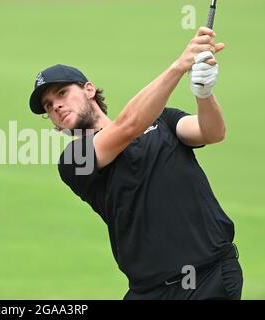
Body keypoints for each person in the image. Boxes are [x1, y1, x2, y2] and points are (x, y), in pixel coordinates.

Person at [28, 27, 243, 300]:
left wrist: (204, 92)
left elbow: (212, 132)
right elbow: (128, 126)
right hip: (148, 291)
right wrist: (180, 65)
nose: (55, 106)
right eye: (48, 106)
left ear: (89, 90)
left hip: (209, 278)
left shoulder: (164, 120)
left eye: (61, 93)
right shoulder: (74, 160)